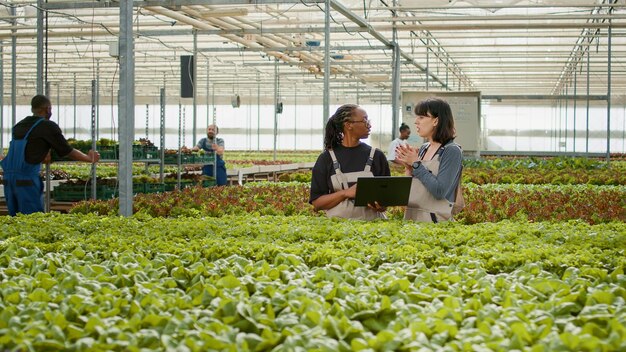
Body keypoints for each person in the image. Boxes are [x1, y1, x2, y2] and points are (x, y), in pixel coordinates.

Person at [1, 94, 100, 216]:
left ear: (33, 109)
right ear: (47, 109)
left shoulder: (19, 126)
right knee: (32, 219)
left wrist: (43, 153)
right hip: (26, 180)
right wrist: (89, 158)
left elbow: (29, 147)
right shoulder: (47, 126)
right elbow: (67, 150)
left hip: (8, 180)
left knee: (14, 219)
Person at [309, 104, 390, 220]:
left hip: (374, 228)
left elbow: (386, 199)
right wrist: (345, 193)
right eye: (365, 120)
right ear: (348, 125)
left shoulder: (377, 156)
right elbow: (317, 203)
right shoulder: (326, 158)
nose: (369, 125)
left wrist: (381, 206)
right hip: (339, 229)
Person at [395, 97, 464, 222]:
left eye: (421, 117)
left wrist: (416, 164)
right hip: (414, 217)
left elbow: (439, 191)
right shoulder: (424, 148)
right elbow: (413, 188)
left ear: (436, 121)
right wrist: (408, 168)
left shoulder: (451, 151)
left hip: (436, 222)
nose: (416, 121)